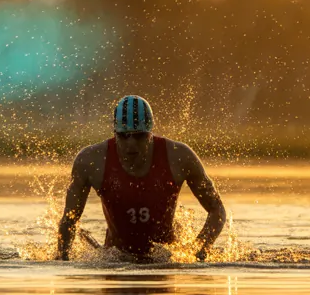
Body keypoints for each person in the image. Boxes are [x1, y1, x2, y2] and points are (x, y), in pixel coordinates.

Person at [56, 95, 227, 261]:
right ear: (114, 132)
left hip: (165, 260)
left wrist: (199, 250)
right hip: (114, 259)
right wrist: (63, 259)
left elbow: (216, 210)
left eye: (139, 136)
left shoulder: (179, 157)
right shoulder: (90, 161)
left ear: (150, 133)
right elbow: (69, 219)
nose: (131, 144)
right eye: (124, 136)